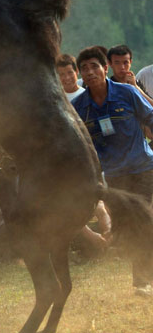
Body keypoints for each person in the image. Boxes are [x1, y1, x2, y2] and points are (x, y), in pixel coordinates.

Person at [72, 45, 153, 296]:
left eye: (94, 66)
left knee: (144, 221)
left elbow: (151, 118)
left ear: (104, 68)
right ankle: (143, 276)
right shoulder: (79, 107)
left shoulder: (127, 93)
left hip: (143, 168)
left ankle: (141, 280)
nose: (89, 72)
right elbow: (77, 144)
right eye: (84, 69)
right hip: (114, 176)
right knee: (127, 227)